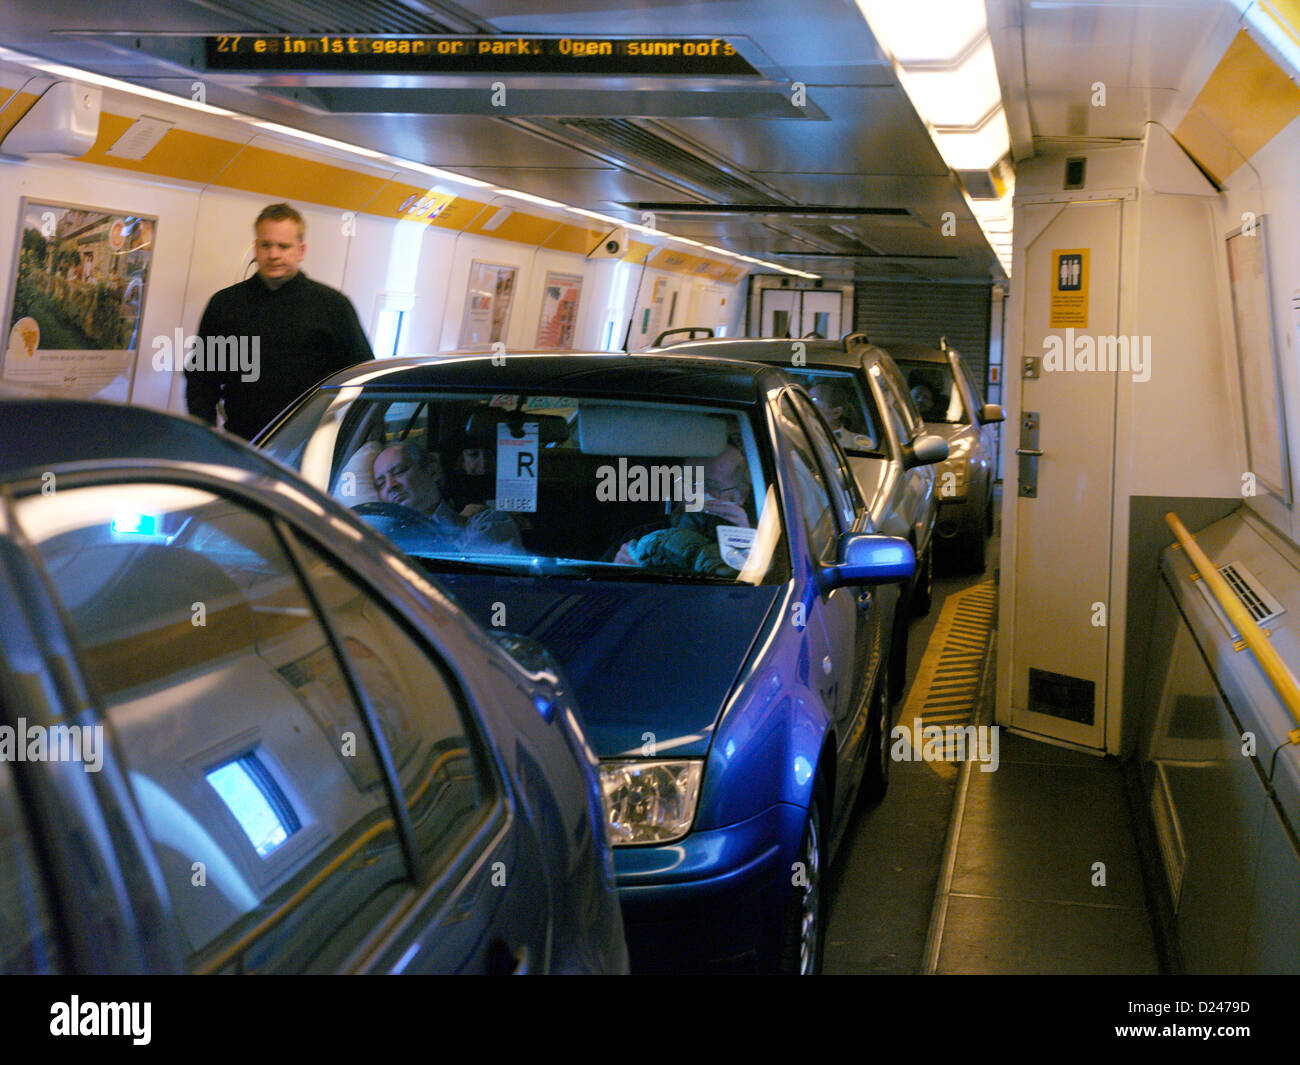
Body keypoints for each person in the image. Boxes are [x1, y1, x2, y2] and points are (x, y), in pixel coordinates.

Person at [186, 203, 374, 440]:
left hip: (312, 443)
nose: (273, 254)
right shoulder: (226, 305)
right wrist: (206, 433)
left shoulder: (333, 306)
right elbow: (202, 378)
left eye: (283, 246)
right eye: (266, 245)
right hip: (242, 442)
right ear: (256, 248)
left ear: (301, 251)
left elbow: (360, 377)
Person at [611, 442, 755, 575]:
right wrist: (620, 569)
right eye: (690, 482)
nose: (695, 494)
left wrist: (744, 544)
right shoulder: (642, 537)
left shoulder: (765, 540)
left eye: (711, 485)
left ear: (739, 495)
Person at [372, 441, 522, 554]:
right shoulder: (377, 540)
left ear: (432, 471)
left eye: (399, 471)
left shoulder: (488, 524)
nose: (390, 485)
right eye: (381, 483)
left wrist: (452, 527)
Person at [809, 381, 874, 451]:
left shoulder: (860, 445)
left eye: (814, 401)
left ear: (836, 413)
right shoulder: (799, 436)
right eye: (805, 398)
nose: (805, 406)